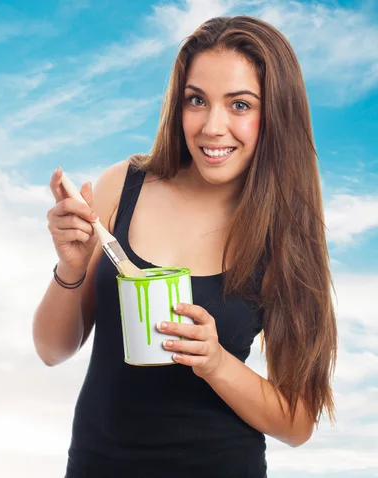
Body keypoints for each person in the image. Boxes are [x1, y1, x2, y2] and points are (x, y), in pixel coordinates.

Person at [32, 15, 337, 478]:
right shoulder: (124, 187)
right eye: (197, 100)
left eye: (239, 105)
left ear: (276, 113)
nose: (213, 127)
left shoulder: (286, 235)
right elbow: (52, 351)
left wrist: (215, 364)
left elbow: (298, 423)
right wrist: (71, 269)